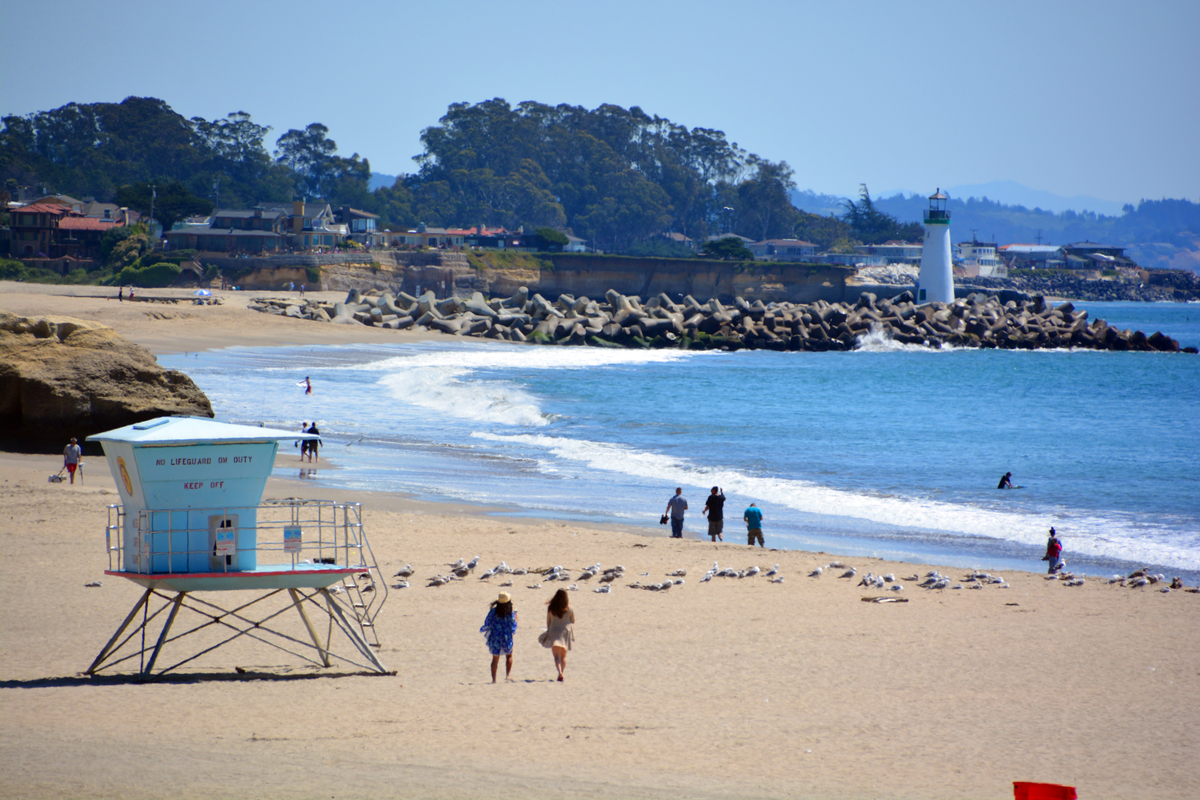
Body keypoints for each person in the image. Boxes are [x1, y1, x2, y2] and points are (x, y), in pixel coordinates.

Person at [480, 591, 519, 683]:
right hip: (506, 636)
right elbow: (513, 625)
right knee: (509, 655)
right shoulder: (510, 613)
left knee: (495, 659)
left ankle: (494, 680)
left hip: (495, 637)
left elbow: (488, 622)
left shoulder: (493, 611)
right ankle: (508, 675)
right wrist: (516, 618)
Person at [541, 589, 575, 682]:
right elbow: (573, 620)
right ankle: (561, 673)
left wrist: (548, 631)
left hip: (554, 632)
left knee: (556, 656)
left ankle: (559, 671)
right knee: (563, 656)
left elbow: (549, 621)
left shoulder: (551, 607)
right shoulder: (570, 608)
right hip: (565, 633)